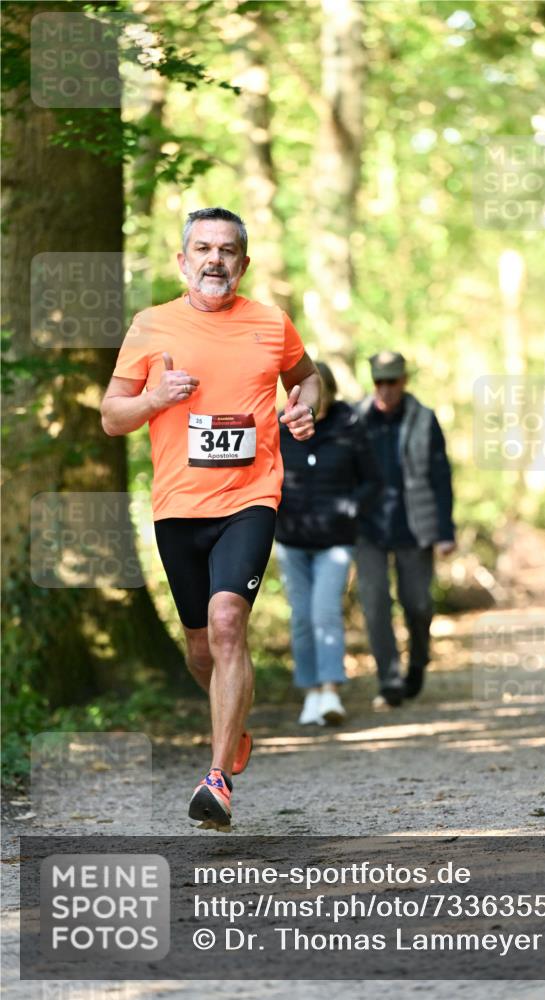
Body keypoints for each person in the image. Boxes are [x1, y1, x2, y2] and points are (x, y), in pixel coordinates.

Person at [101, 207, 320, 829]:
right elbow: (111, 416)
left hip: (250, 499)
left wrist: (305, 409)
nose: (214, 259)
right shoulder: (150, 326)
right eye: (202, 248)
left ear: (243, 264)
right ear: (183, 260)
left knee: (228, 625)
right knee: (201, 650)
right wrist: (152, 399)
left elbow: (309, 380)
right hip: (178, 506)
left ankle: (218, 778)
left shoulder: (270, 324)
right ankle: (236, 724)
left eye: (227, 250)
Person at [275, 361, 381, 726]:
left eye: (319, 395)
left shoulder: (351, 426)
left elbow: (372, 480)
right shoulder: (279, 427)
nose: (312, 403)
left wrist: (350, 510)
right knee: (302, 618)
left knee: (324, 612)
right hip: (290, 539)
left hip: (335, 541)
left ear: (331, 394)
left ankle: (331, 692)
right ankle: (312, 693)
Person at [355, 351, 456, 709]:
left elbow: (442, 476)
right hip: (367, 530)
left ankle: (417, 660)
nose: (385, 389)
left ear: (404, 380)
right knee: (375, 602)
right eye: (379, 381)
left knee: (418, 602)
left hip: (415, 525)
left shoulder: (424, 419)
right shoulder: (356, 418)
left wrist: (446, 531)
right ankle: (389, 679)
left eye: (391, 381)